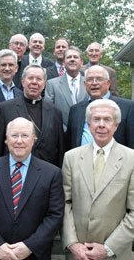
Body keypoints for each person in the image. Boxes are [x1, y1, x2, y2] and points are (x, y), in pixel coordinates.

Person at [0, 117, 64, 260]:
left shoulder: (51, 173)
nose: (19, 141)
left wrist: (30, 246)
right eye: (14, 135)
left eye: (25, 135)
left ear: (33, 139)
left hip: (34, 254)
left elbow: (55, 215)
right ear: (7, 139)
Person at [62, 99, 134, 260]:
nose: (101, 124)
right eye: (96, 119)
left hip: (116, 253)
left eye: (107, 119)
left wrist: (108, 248)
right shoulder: (71, 158)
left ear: (116, 125)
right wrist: (72, 243)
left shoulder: (131, 159)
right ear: (88, 124)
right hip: (78, 254)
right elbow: (65, 204)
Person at [0, 64, 64, 167]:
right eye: (30, 78)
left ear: (44, 84)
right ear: (23, 81)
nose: (34, 82)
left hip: (45, 174)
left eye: (38, 79)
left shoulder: (55, 112)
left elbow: (60, 150)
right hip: (14, 172)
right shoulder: (6, 108)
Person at [66, 65, 134, 150]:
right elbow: (69, 143)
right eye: (90, 79)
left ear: (108, 83)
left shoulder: (128, 107)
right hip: (82, 161)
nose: (94, 83)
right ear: (85, 84)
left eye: (99, 79)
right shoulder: (75, 110)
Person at [45, 46, 88, 131]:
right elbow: (48, 112)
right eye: (69, 57)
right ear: (64, 63)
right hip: (61, 134)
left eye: (75, 57)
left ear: (82, 62)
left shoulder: (89, 83)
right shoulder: (52, 84)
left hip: (85, 134)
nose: (72, 59)